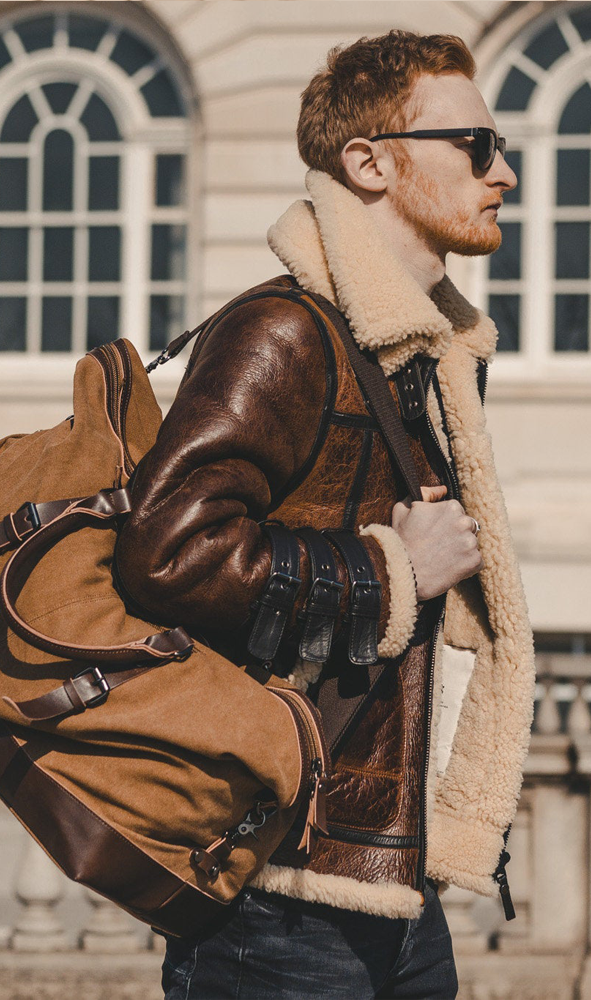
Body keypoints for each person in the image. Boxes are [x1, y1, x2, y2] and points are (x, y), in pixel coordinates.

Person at [115, 28, 535, 1000]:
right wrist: (387, 570)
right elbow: (164, 551)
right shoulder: (283, 334)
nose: (504, 170)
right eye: (475, 144)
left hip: (392, 879)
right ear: (369, 162)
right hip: (278, 900)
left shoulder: (418, 354)